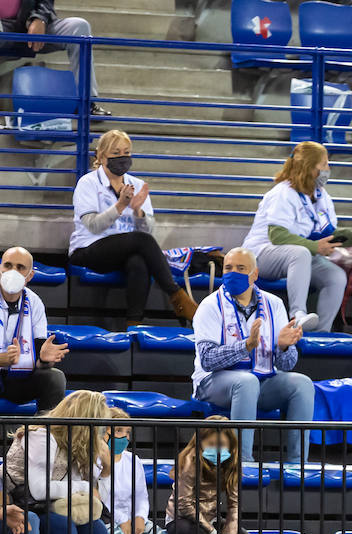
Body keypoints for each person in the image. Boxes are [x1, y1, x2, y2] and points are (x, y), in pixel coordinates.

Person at [242, 141, 352, 332]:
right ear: (310, 168)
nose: (329, 169)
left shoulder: (321, 196)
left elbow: (328, 234)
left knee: (335, 276)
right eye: (325, 164)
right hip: (261, 255)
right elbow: (277, 235)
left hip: (297, 255)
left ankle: (322, 333)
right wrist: (314, 247)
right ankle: (297, 315)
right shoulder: (283, 193)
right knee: (302, 253)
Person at [191, 247, 312, 465]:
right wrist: (245, 346)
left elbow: (287, 364)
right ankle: (242, 462)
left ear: (254, 274)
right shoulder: (209, 306)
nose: (232, 273)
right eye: (228, 268)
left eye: (240, 268)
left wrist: (283, 347)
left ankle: (298, 465)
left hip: (262, 380)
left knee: (302, 384)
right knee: (246, 383)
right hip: (213, 383)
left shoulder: (274, 304)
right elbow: (208, 360)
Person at [69, 130, 198, 323]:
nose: (122, 157)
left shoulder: (136, 185)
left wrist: (138, 211)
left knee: (138, 260)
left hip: (124, 251)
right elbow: (93, 226)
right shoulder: (87, 183)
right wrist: (121, 205)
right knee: (140, 242)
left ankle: (134, 323)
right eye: (116, 153)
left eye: (127, 152)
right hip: (88, 249)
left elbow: (147, 233)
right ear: (102, 156)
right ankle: (177, 295)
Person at [3, 389, 113, 534]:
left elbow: (91, 496)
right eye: (97, 425)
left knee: (96, 529)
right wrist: (83, 487)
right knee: (62, 527)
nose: (98, 431)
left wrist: (105, 471)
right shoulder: (41, 435)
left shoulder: (77, 444)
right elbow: (39, 490)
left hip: (51, 505)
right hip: (20, 500)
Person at [98, 408, 177, 534]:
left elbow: (141, 495)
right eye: (118, 431)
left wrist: (141, 517)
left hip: (134, 520)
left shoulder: (133, 461)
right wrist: (122, 521)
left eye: (127, 432)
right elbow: (102, 498)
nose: (124, 436)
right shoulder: (96, 460)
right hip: (105, 519)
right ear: (104, 433)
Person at [0, 3, 106, 115]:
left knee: (79, 26)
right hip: (4, 29)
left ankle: (86, 102)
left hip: (31, 25)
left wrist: (39, 19)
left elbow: (45, 3)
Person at [0, 246, 67, 412]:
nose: (12, 272)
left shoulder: (34, 302)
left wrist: (44, 360)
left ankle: (42, 435)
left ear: (30, 275)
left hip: (18, 379)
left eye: (20, 267)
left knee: (54, 377)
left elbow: (38, 358)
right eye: (8, 266)